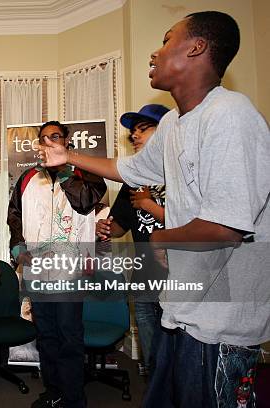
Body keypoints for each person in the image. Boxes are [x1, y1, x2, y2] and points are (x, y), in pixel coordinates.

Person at [39, 11, 270, 408]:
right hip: (182, 312)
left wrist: (160, 237)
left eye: (166, 40)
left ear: (196, 48)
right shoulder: (174, 125)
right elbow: (124, 169)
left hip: (221, 324)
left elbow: (224, 229)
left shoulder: (230, 116)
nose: (154, 53)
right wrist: (67, 155)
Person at [8, 121, 106, 408]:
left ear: (67, 141)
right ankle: (53, 392)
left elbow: (86, 202)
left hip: (70, 272)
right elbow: (14, 215)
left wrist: (64, 171)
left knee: (69, 337)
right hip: (38, 271)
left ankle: (74, 398)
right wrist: (18, 246)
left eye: (55, 137)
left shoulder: (86, 174)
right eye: (44, 139)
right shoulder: (27, 178)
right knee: (47, 336)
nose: (49, 143)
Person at [96, 104, 170, 377]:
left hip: (177, 278)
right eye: (133, 133)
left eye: (143, 130)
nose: (135, 136)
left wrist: (149, 204)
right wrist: (106, 226)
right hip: (143, 276)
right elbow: (120, 227)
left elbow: (197, 226)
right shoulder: (133, 179)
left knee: (176, 355)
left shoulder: (182, 172)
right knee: (151, 356)